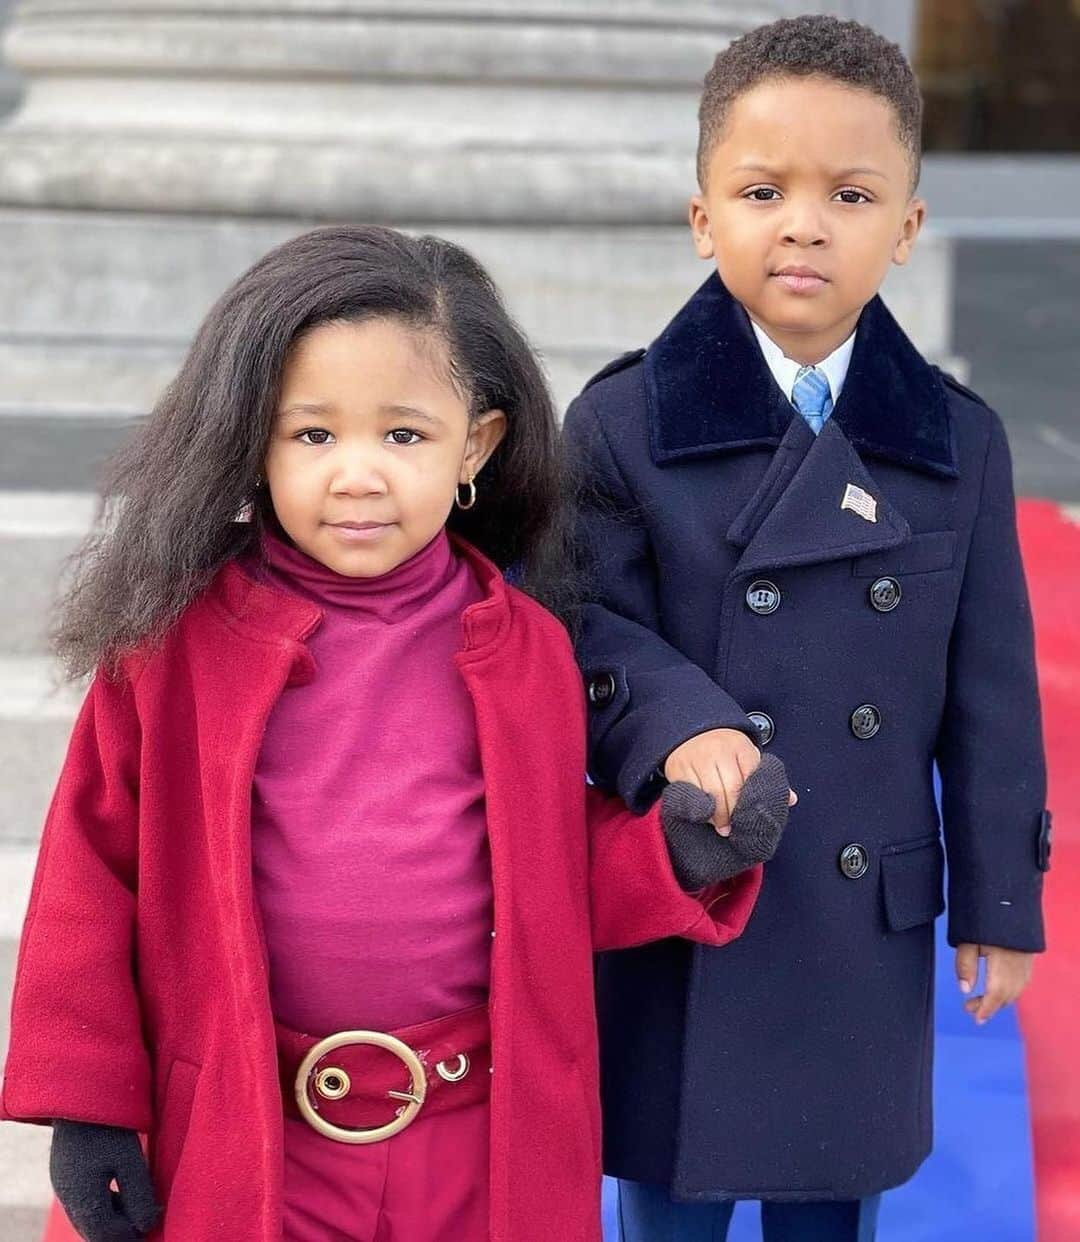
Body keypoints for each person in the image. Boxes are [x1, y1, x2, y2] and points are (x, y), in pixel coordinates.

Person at [0, 226, 793, 1242]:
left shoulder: (527, 649)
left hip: (477, 1145)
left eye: (404, 436)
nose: (360, 476)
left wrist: (677, 853)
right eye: (314, 435)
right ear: (252, 441)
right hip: (251, 1136)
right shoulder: (175, 646)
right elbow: (90, 873)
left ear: (478, 445)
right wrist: (89, 1103)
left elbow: (547, 869)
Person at [563, 16, 1051, 1242]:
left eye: (850, 193)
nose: (804, 223)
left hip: (858, 906)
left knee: (834, 1204)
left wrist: (1002, 898)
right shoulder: (625, 424)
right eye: (764, 189)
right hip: (699, 880)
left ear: (908, 228)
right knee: (672, 1197)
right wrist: (683, 727)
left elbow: (991, 695)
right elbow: (578, 628)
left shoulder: (956, 442)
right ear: (702, 216)